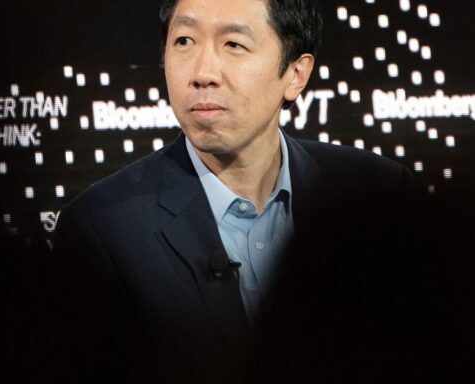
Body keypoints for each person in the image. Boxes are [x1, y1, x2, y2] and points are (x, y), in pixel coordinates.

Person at [38, 0, 439, 382]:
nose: (202, 72)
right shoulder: (103, 229)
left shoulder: (378, 196)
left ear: (296, 75)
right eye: (184, 42)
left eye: (233, 44)